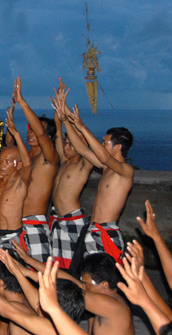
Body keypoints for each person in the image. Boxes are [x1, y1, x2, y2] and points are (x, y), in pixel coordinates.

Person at [57, 95, 133, 264]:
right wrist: (68, 119)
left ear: (118, 146)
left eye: (105, 142)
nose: (102, 144)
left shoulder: (125, 171)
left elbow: (105, 158)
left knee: (107, 280)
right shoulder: (107, 168)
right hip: (92, 229)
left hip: (107, 231)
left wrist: (82, 127)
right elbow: (82, 149)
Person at [13, 77, 59, 264]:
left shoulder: (50, 159)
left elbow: (41, 133)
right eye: (29, 130)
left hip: (34, 224)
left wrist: (22, 102)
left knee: (38, 279)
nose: (32, 133)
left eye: (36, 130)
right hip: (14, 224)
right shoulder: (24, 157)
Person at [49, 80, 93, 269]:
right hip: (57, 219)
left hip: (72, 220)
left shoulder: (85, 163)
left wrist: (67, 112)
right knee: (56, 266)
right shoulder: (65, 162)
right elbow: (58, 130)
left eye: (71, 144)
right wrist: (59, 107)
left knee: (73, 266)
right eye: (66, 143)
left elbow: (82, 145)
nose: (66, 147)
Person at [0, 101, 31, 281]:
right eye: (1, 161)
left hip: (12, 239)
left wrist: (16, 133)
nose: (2, 165)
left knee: (12, 284)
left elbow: (27, 163)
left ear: (17, 165)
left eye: (7, 162)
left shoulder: (20, 183)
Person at [79, 253, 134, 335]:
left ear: (104, 284)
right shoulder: (116, 295)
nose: (83, 288)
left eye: (86, 284)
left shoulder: (112, 306)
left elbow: (73, 291)